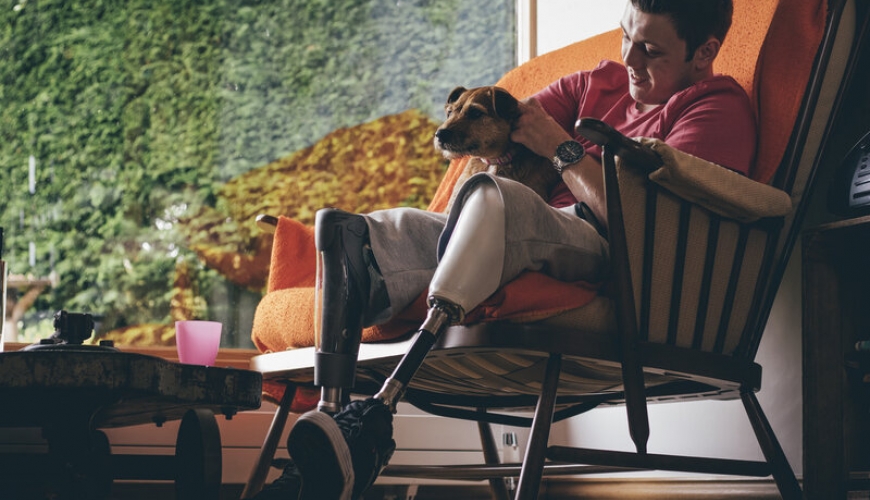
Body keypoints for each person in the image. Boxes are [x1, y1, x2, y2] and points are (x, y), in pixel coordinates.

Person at [252, 0, 754, 498]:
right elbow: (498, 130)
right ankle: (334, 433)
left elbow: (647, 230)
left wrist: (561, 148)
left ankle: (372, 419)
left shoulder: (714, 108)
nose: (629, 59)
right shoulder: (593, 84)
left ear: (704, 51)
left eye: (649, 50)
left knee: (499, 200)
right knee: (367, 230)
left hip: (606, 249)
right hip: (512, 232)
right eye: (626, 36)